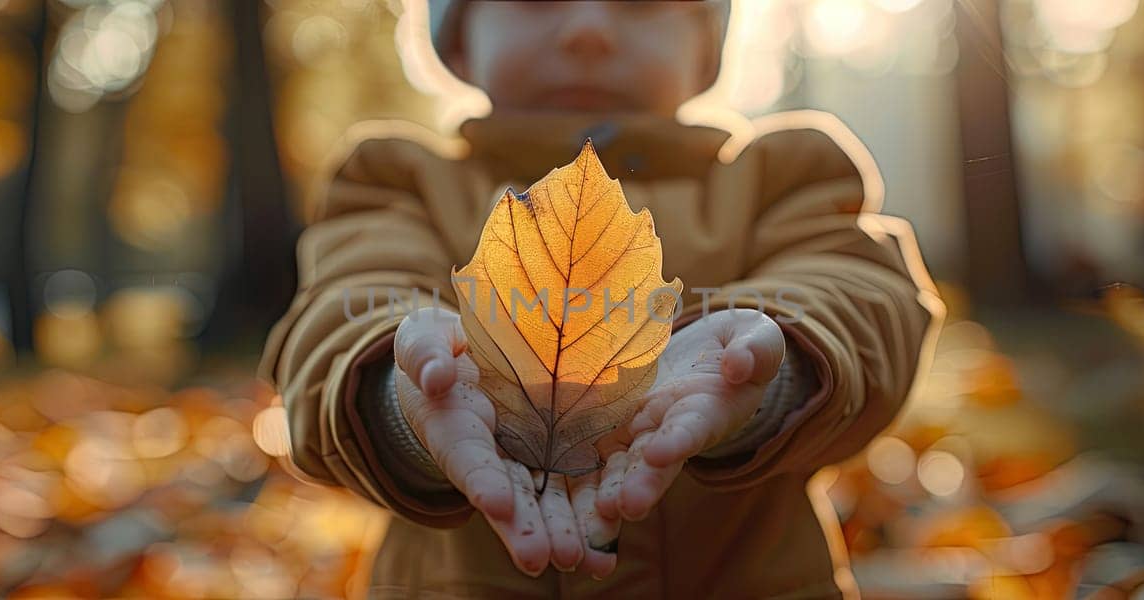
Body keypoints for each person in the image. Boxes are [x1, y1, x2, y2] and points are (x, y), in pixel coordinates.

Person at [260, 1, 942, 596]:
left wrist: (769, 372)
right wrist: (401, 398)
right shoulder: (398, 183)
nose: (588, 28)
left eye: (641, 0)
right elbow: (343, 309)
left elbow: (860, 293)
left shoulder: (785, 179)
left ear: (707, 47)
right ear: (460, 37)